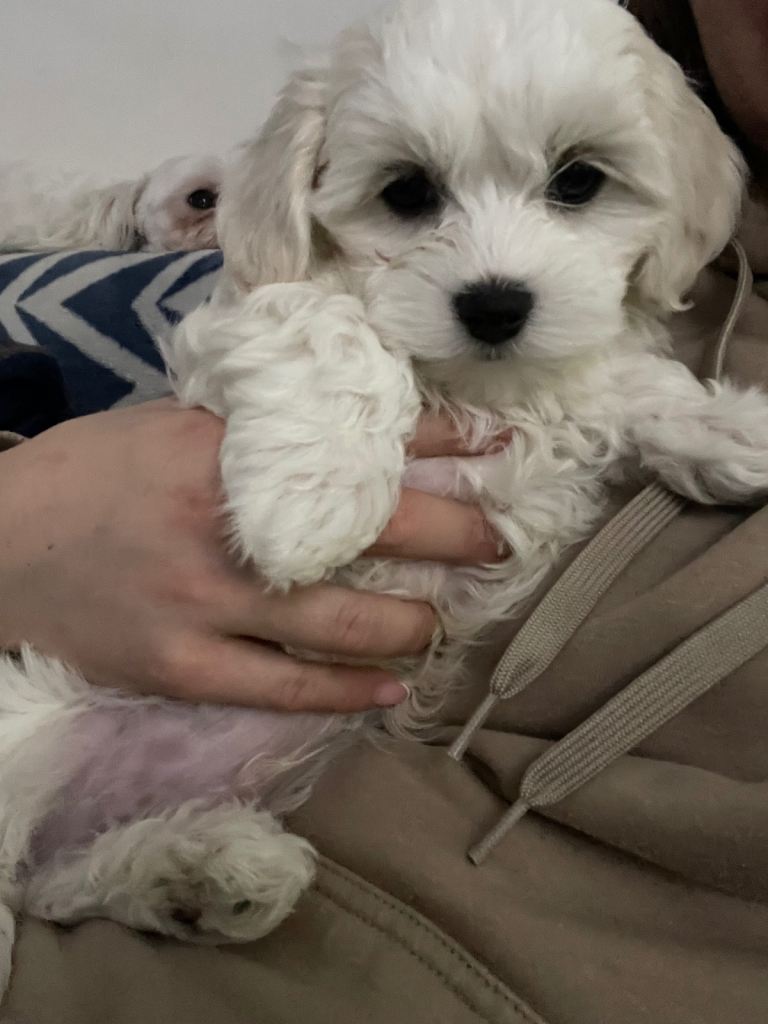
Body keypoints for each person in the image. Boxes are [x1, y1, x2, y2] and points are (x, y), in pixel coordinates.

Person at [3, 4, 768, 1022]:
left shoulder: (625, 364)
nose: (494, 270)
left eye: (573, 187)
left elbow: (605, 388)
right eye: (410, 195)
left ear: (678, 200)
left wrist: (677, 416)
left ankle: (105, 873)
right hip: (56, 711)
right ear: (305, 201)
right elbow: (262, 305)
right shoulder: (312, 311)